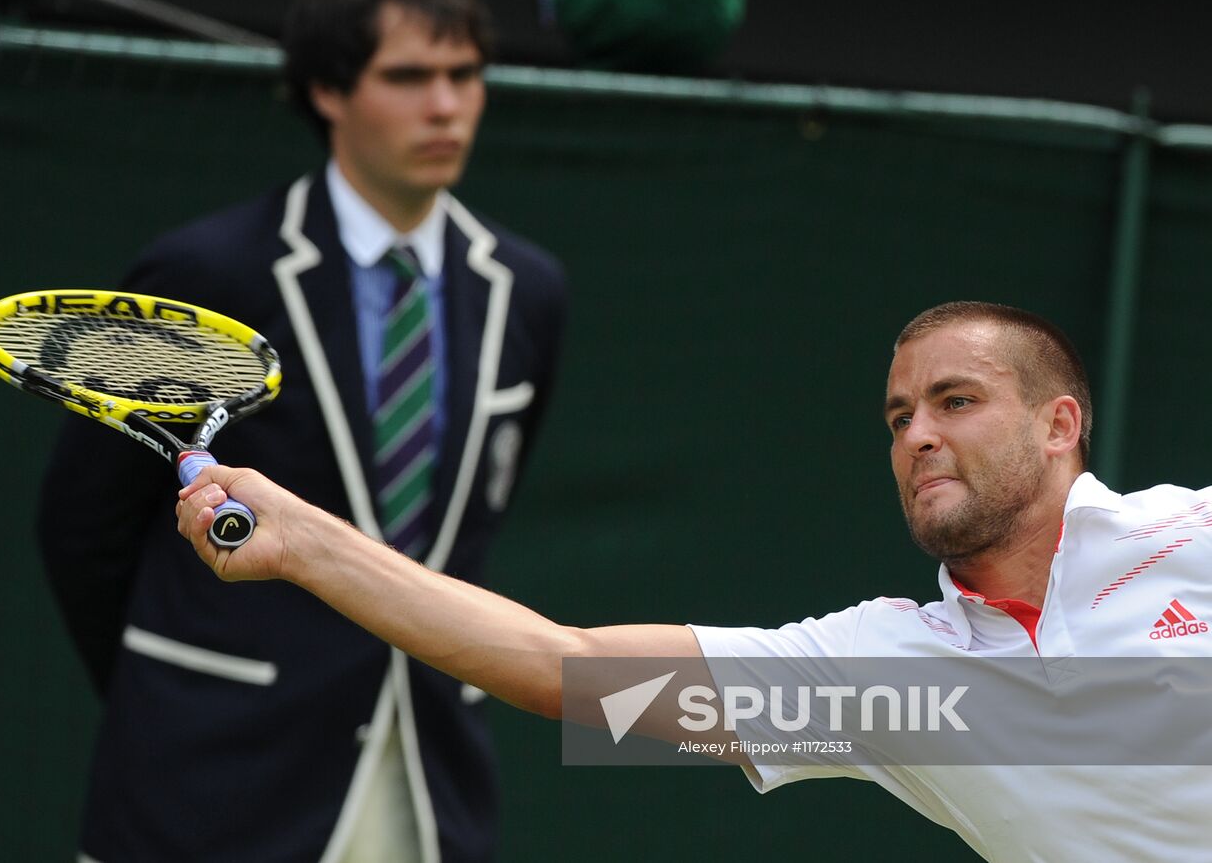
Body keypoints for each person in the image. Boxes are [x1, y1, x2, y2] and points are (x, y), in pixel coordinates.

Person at [175, 301, 1212, 863]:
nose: (918, 436)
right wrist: (303, 540)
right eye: (899, 418)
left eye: (954, 400)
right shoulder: (894, 682)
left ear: (1057, 424)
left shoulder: (1190, 531)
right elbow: (566, 670)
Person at [37, 0, 567, 863]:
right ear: (328, 91)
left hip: (428, 776)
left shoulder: (528, 287)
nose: (445, 104)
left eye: (465, 73)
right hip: (210, 780)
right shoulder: (207, 271)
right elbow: (85, 525)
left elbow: (470, 526)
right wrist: (183, 692)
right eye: (409, 75)